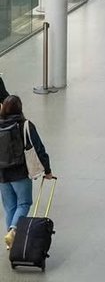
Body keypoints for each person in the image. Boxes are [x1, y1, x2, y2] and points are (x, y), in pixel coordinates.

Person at [0, 95, 52, 247]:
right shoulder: (25, 125)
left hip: (2, 174)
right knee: (24, 203)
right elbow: (39, 149)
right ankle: (13, 231)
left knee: (10, 207)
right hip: (20, 172)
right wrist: (47, 171)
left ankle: (11, 242)